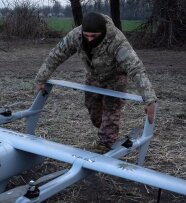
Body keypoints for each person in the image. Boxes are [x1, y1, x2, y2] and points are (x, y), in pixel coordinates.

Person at [35, 12, 157, 153]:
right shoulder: (76, 35)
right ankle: (107, 128)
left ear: (103, 32)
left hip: (115, 78)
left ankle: (104, 145)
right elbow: (57, 54)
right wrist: (41, 78)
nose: (90, 39)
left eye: (94, 36)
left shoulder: (117, 41)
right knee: (94, 112)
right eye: (87, 35)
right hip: (93, 76)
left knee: (110, 112)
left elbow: (136, 69)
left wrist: (149, 99)